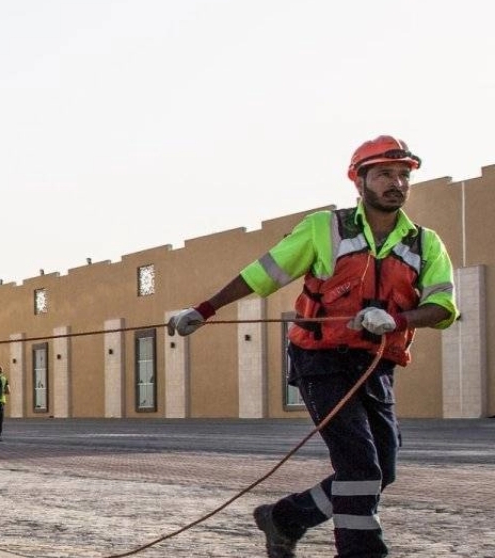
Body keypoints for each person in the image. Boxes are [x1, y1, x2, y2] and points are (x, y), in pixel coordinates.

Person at [167, 136, 457, 558]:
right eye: (384, 174)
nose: (396, 183)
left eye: (403, 175)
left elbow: (443, 306)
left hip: (375, 366)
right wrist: (205, 309)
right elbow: (262, 273)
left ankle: (286, 518)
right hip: (320, 362)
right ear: (359, 182)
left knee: (383, 471)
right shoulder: (325, 228)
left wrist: (397, 320)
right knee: (359, 466)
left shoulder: (425, 244)